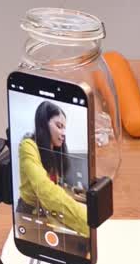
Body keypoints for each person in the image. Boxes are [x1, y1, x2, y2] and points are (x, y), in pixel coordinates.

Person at [16, 101, 88, 237]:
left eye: (64, 128)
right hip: (29, 215)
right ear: (44, 123)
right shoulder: (27, 146)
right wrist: (85, 218)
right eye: (59, 126)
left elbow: (56, 188)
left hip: (47, 211)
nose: (63, 133)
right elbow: (46, 190)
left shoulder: (54, 152)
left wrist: (79, 197)